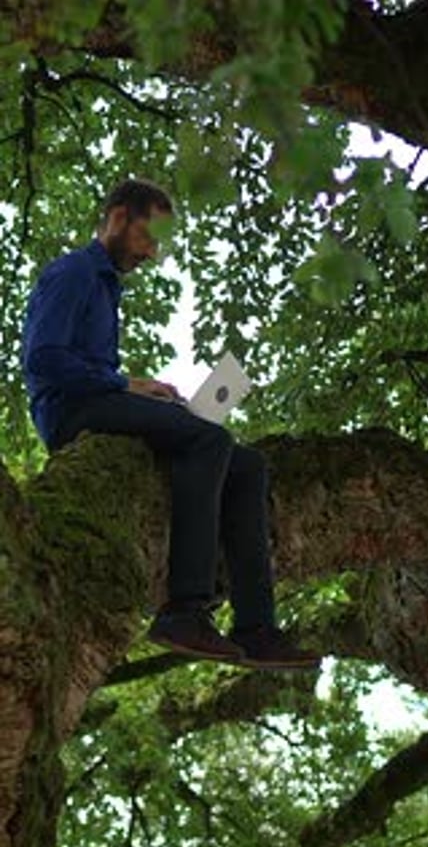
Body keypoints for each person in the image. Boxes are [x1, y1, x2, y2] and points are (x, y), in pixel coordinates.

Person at [22, 178, 320, 670]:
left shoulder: (106, 286)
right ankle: (183, 610)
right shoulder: (73, 272)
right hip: (69, 413)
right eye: (149, 236)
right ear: (119, 216)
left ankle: (257, 627)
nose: (153, 253)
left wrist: (143, 393)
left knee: (245, 465)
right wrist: (125, 385)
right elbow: (44, 359)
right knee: (208, 437)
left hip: (101, 402)